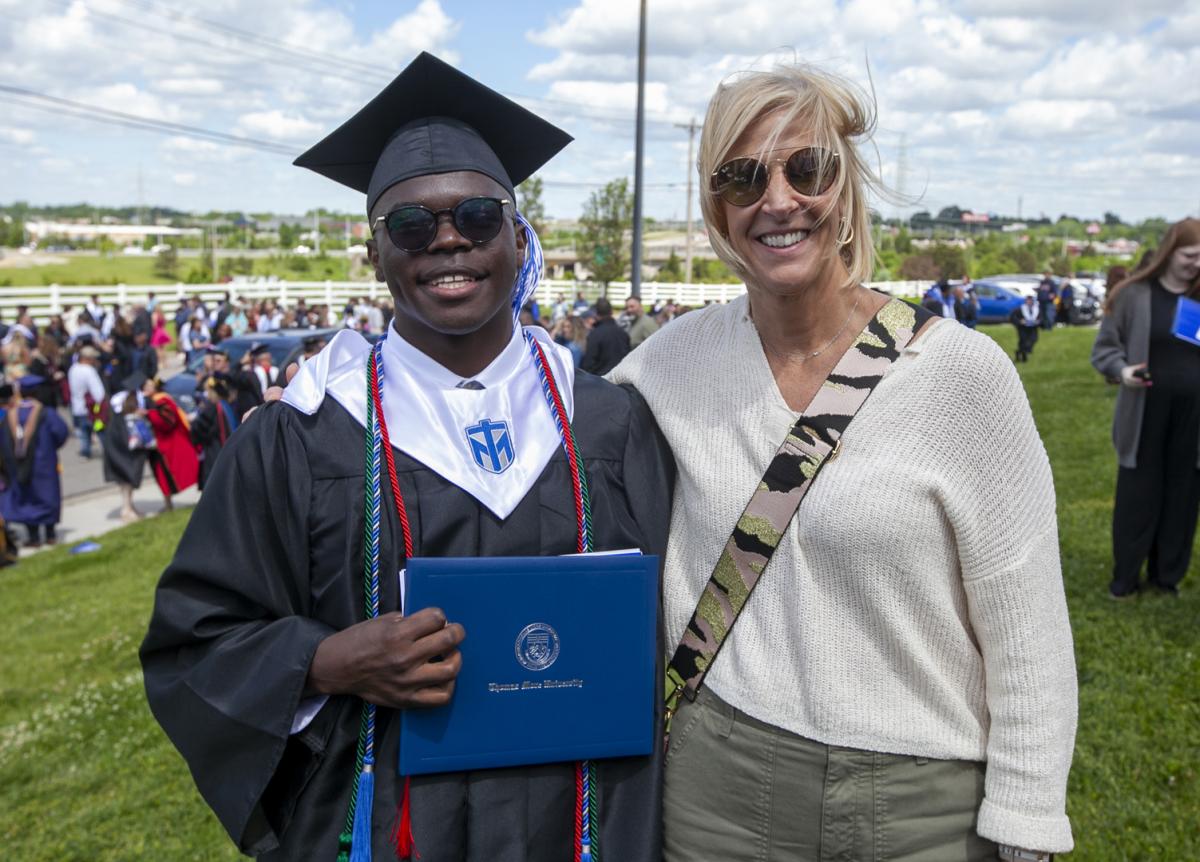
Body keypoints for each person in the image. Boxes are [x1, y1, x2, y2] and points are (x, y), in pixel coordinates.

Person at [140, 53, 672, 862]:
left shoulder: (608, 421)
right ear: (374, 252)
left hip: (583, 823)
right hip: (384, 825)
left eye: (479, 216)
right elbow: (192, 645)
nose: (448, 240)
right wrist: (320, 661)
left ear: (520, 235)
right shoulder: (304, 433)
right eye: (411, 225)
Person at [610, 61, 1075, 861]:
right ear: (716, 205)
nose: (779, 199)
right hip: (719, 788)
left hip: (921, 802)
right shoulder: (667, 365)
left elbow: (1028, 629)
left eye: (808, 167)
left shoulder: (965, 378)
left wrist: (1024, 821)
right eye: (744, 176)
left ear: (845, 186)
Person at [1090, 217, 1200, 599]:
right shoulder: (1134, 295)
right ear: (1170, 251)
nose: (1196, 264)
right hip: (1145, 414)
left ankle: (1166, 577)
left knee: (1183, 498)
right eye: (1190, 255)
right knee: (1139, 497)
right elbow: (1104, 349)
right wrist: (1123, 370)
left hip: (1193, 419)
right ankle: (1126, 577)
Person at [0, 383, 69, 548]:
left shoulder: (10, 414)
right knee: (48, 495)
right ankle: (50, 534)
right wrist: (50, 448)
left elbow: (3, 441)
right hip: (45, 462)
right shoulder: (46, 412)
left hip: (19, 464)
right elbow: (61, 433)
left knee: (27, 498)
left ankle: (33, 537)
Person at [139, 375, 200, 511]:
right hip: (157, 446)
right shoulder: (144, 401)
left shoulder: (162, 400)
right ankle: (168, 504)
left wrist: (149, 414)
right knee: (162, 476)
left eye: (151, 385)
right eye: (146, 386)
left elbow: (168, 422)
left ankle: (204, 496)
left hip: (170, 443)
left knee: (186, 470)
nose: (150, 387)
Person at [190, 373, 238, 491]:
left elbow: (201, 427)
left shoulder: (211, 406)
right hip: (225, 444)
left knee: (214, 477)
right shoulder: (225, 404)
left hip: (215, 446)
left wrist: (193, 425)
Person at [67, 345, 107, 458]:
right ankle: (108, 450)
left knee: (84, 432)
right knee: (100, 430)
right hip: (92, 409)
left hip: (77, 407)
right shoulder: (89, 371)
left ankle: (85, 451)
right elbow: (98, 392)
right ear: (87, 358)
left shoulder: (73, 369)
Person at [579, 296, 629, 375]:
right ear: (611, 312)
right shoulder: (623, 333)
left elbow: (588, 363)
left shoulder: (595, 334)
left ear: (596, 314)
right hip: (620, 379)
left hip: (601, 380)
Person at [1011, 294, 1041, 362]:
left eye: (1031, 300)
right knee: (1023, 342)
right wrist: (1020, 321)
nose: (1029, 302)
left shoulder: (1036, 309)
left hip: (1033, 328)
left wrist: (1038, 322)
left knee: (1033, 339)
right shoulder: (1020, 309)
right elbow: (1013, 317)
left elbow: (1041, 318)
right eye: (1028, 300)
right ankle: (1023, 357)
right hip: (1023, 328)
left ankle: (1019, 352)